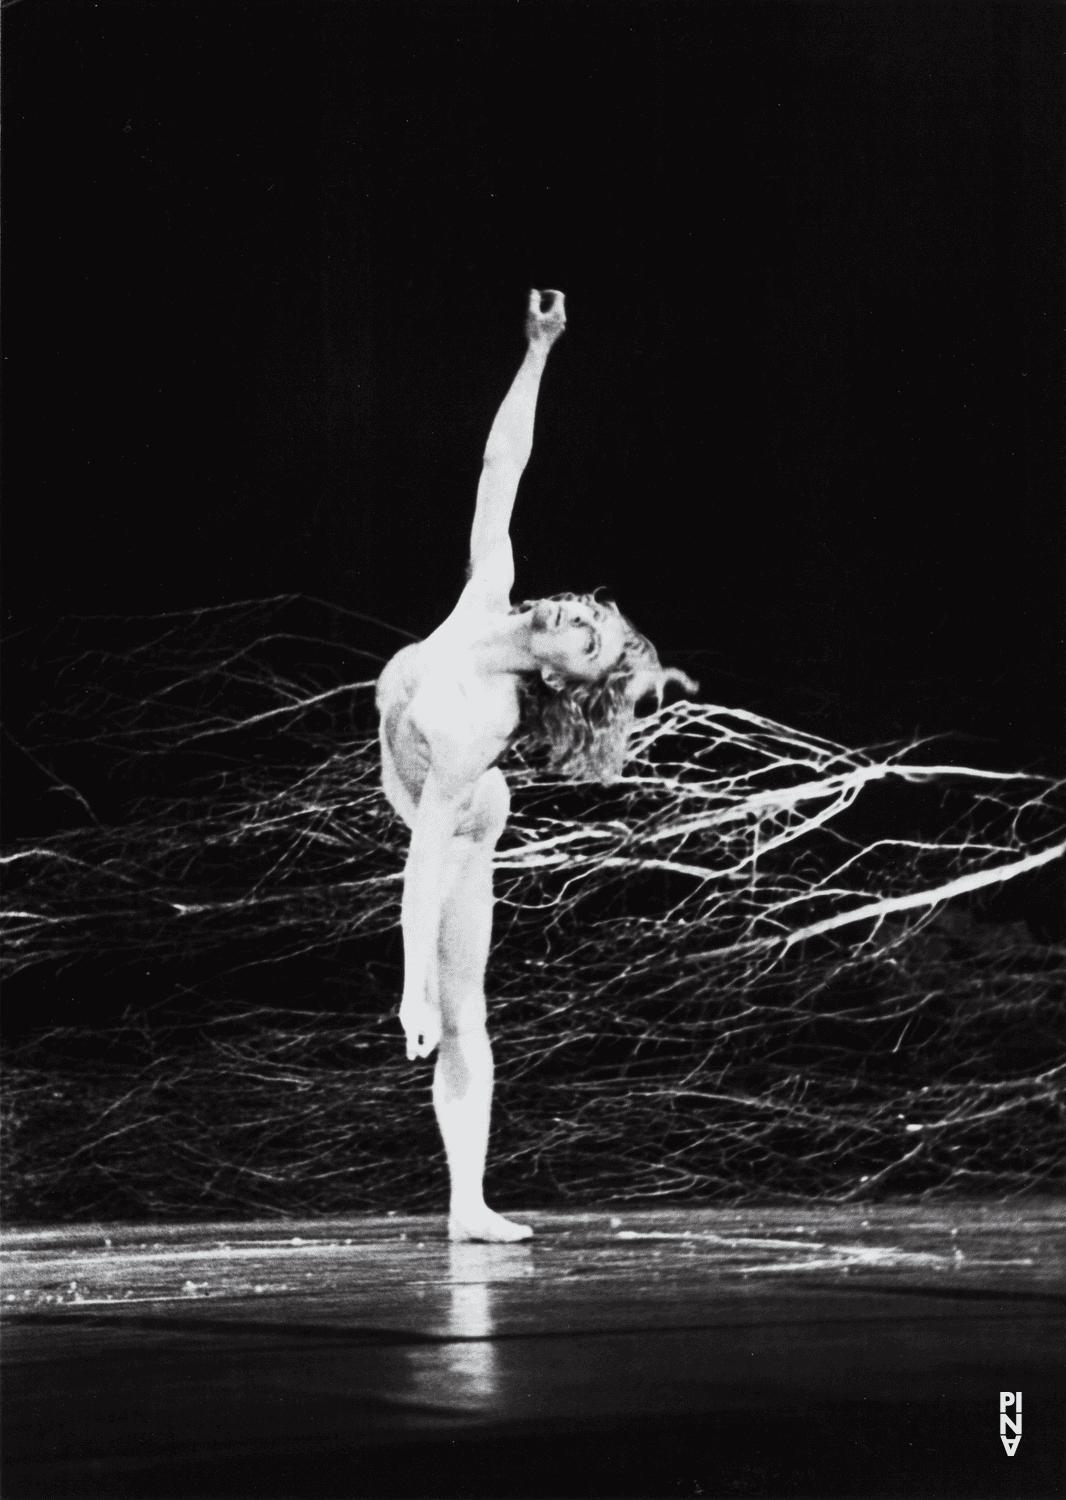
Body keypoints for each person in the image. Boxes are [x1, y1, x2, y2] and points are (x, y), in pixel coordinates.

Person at [376, 289, 696, 1242]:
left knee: (462, 1008)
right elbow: (500, 461)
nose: (577, 617)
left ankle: (467, 1203)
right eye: (588, 611)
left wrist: (410, 988)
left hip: (465, 815)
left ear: (564, 679)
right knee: (453, 996)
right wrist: (539, 350)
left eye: (590, 638)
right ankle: (469, 1198)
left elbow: (427, 857)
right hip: (410, 756)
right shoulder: (490, 590)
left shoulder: (485, 723)